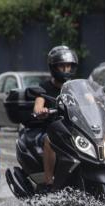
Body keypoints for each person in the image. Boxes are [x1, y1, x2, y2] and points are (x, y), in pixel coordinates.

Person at [34, 45, 78, 186]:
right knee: (49, 140)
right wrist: (41, 111)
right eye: (62, 66)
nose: (66, 70)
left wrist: (103, 106)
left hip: (73, 130)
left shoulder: (75, 87)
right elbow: (38, 106)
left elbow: (90, 99)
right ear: (53, 67)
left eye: (69, 66)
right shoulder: (45, 87)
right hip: (51, 130)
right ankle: (48, 181)